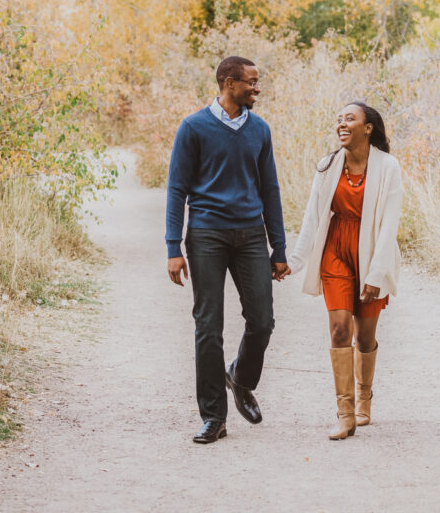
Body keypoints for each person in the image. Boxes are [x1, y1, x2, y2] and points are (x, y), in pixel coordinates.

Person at [166, 56, 290, 444]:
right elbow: (176, 189)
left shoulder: (260, 130)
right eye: (251, 82)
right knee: (208, 326)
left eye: (257, 82)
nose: (257, 88)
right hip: (206, 235)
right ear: (228, 82)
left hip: (251, 235)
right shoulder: (193, 128)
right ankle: (214, 417)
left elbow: (270, 189)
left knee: (263, 320)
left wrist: (279, 247)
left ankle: (241, 377)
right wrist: (174, 246)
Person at [288, 102, 403, 439]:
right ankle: (345, 413)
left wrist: (376, 274)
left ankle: (365, 397)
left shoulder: (388, 167)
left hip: (370, 252)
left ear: (368, 128)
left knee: (364, 336)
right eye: (339, 119)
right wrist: (294, 262)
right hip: (336, 250)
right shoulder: (328, 166)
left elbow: (389, 226)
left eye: (350, 119)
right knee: (340, 329)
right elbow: (312, 217)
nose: (342, 123)